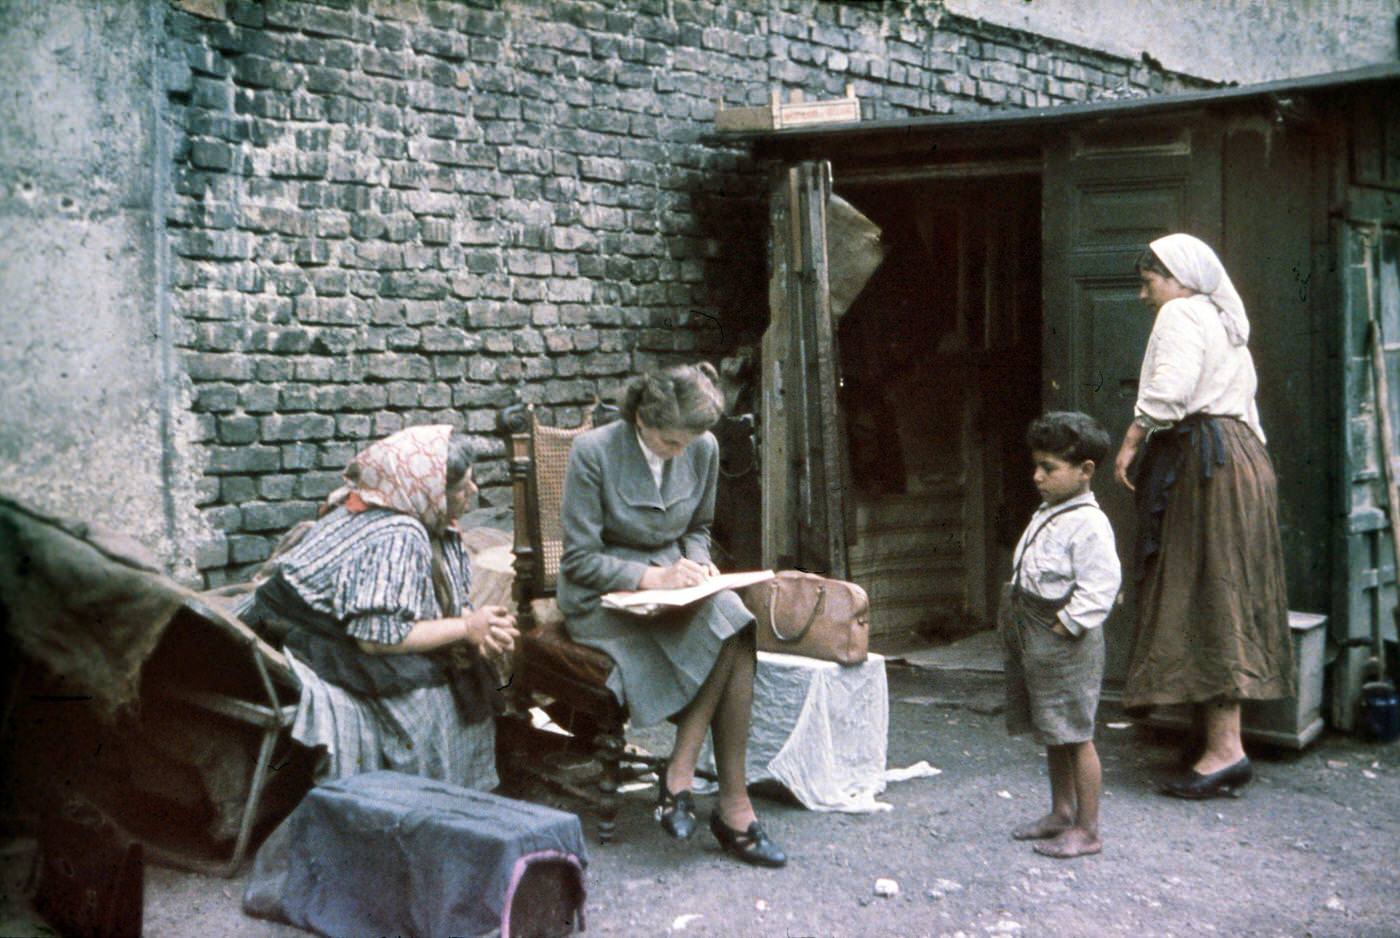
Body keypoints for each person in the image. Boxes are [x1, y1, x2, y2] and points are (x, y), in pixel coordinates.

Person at [557, 362, 787, 868]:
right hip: (603, 600)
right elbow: (577, 559)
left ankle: (691, 780)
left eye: (689, 443)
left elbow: (699, 527)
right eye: (670, 444)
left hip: (674, 591)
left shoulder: (702, 446)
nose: (682, 453)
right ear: (642, 421)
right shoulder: (594, 452)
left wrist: (700, 562)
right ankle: (728, 805)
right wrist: (650, 578)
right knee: (732, 629)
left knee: (734, 616)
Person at [1112, 233, 1295, 799]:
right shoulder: (1224, 321)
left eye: (1151, 282)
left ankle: (1224, 750)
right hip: (1240, 458)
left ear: (1182, 280)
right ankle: (1213, 740)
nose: (1146, 295)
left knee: (1209, 592)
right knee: (1221, 589)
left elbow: (1170, 390)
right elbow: (1249, 409)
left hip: (1207, 464)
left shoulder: (1184, 312)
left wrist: (1131, 440)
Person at [237, 424, 518, 790]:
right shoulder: (399, 533)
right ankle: (424, 800)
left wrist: (475, 623)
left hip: (333, 621)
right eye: (462, 484)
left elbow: (411, 602)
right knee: (426, 700)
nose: (474, 491)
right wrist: (466, 628)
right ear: (431, 491)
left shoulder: (385, 503)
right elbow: (377, 639)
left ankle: (457, 796)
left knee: (464, 671)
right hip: (294, 630)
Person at [1002, 411, 1121, 859]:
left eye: (1049, 468)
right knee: (1053, 729)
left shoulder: (1089, 524)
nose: (1037, 477)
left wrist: (1067, 623)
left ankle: (1087, 829)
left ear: (1085, 471)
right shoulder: (1052, 509)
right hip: (1033, 629)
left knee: (1075, 732)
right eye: (1036, 466)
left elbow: (1101, 585)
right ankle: (1061, 811)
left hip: (1063, 638)